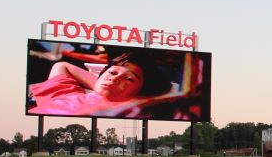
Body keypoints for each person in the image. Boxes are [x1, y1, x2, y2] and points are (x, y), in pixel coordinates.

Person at [28, 49, 174, 116]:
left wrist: (118, 94)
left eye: (129, 79)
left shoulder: (132, 110)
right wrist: (101, 85)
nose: (115, 78)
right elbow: (62, 65)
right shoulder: (69, 97)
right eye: (112, 72)